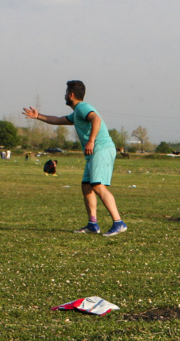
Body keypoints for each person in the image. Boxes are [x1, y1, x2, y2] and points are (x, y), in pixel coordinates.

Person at [23, 80, 126, 235]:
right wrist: (38, 116)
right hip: (94, 152)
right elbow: (58, 120)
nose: (64, 95)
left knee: (97, 185)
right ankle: (93, 224)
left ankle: (119, 223)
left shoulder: (83, 107)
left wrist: (91, 140)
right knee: (86, 186)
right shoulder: (77, 113)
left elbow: (96, 119)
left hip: (101, 149)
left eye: (66, 93)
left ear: (71, 95)